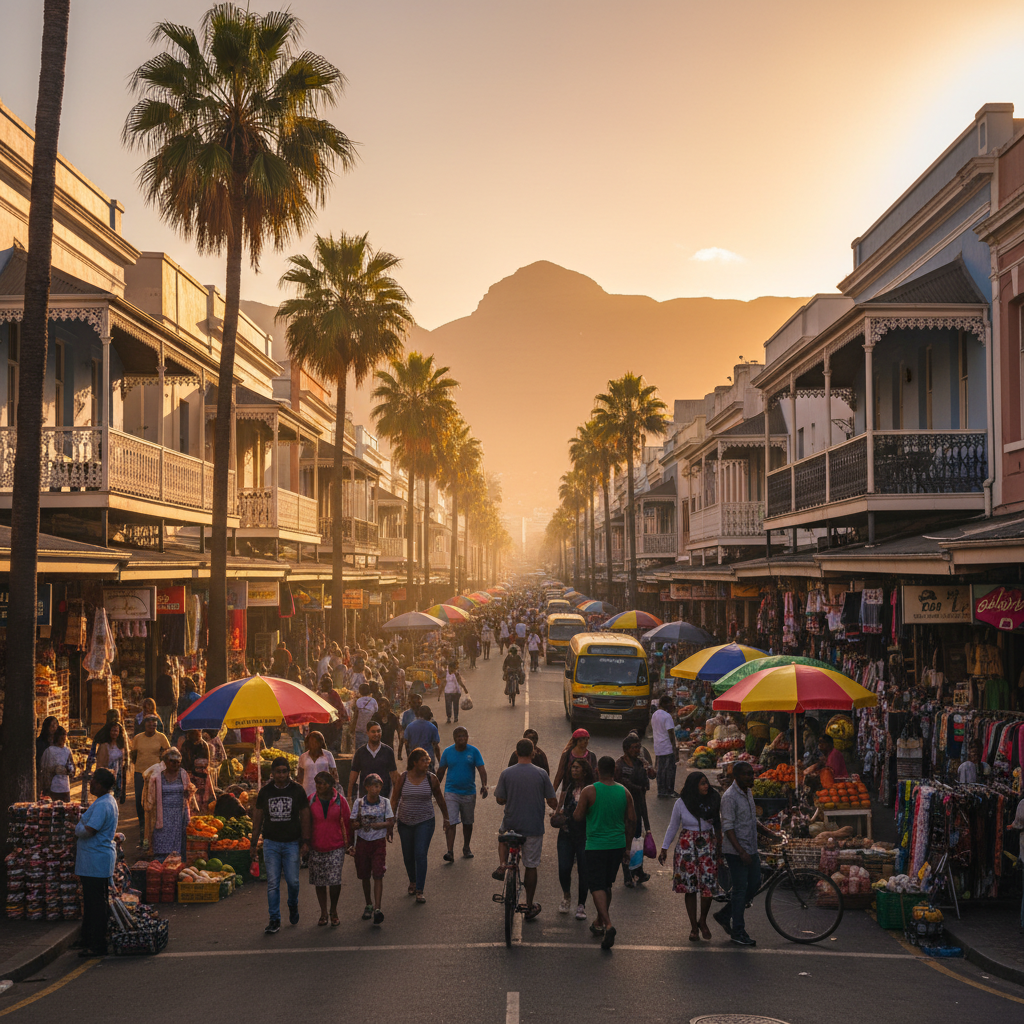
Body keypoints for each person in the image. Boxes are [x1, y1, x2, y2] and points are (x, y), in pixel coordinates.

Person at [714, 761, 779, 946]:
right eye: (747, 774)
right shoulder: (729, 798)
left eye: (752, 773)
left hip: (751, 848)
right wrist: (740, 851)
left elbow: (751, 820)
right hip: (736, 852)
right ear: (737, 776)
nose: (752, 777)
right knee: (741, 890)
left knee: (755, 884)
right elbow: (728, 828)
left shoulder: (748, 792)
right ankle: (738, 931)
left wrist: (769, 833)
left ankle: (725, 914)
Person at [492, 738, 558, 922]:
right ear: (533, 753)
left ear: (516, 753)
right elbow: (552, 800)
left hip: (512, 823)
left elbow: (499, 799)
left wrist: (509, 798)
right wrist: (555, 808)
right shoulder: (541, 774)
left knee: (502, 836)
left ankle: (503, 864)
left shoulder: (506, 773)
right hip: (533, 827)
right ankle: (529, 905)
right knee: (531, 865)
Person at [574, 754, 635, 950]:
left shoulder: (589, 791)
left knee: (597, 885)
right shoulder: (625, 792)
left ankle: (608, 924)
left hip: (596, 845)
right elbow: (631, 821)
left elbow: (578, 816)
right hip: (617, 845)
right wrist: (627, 847)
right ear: (615, 771)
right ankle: (599, 922)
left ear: (597, 770)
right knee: (607, 884)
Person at [251, 756, 311, 934]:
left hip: (292, 843)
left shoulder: (297, 791)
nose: (281, 775)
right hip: (271, 843)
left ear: (289, 773)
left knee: (293, 881)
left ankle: (293, 905)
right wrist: (253, 843)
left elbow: (305, 815)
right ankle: (274, 918)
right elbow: (258, 817)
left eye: (285, 771)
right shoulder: (265, 792)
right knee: (273, 883)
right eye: (278, 772)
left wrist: (306, 841)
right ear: (272, 773)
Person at [659, 770, 722, 941]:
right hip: (686, 847)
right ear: (694, 786)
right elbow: (673, 826)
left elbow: (718, 825)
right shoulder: (681, 803)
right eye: (702, 783)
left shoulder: (713, 800)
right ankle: (693, 926)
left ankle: (703, 920)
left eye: (706, 782)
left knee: (708, 885)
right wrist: (664, 848)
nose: (706, 786)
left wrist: (720, 849)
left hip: (708, 845)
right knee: (690, 887)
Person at [391, 748, 450, 903]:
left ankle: (420, 889)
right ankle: (413, 880)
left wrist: (446, 818)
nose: (427, 763)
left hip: (425, 821)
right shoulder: (403, 778)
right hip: (405, 822)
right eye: (423, 760)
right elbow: (394, 799)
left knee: (420, 853)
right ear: (414, 762)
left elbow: (440, 799)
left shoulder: (432, 779)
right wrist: (390, 822)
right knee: (408, 855)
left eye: (427, 760)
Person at [74, 768, 119, 958]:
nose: (90, 784)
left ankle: (98, 943)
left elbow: (90, 830)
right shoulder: (107, 801)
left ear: (100, 784)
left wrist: (76, 827)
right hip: (95, 858)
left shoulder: (103, 804)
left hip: (95, 859)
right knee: (94, 901)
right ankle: (88, 938)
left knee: (95, 903)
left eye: (93, 781)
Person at [349, 773, 395, 925]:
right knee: (364, 874)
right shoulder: (359, 803)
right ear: (366, 787)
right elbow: (352, 821)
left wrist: (376, 825)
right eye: (372, 786)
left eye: (378, 786)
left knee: (378, 873)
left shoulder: (385, 802)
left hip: (378, 842)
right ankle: (368, 903)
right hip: (362, 842)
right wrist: (357, 825)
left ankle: (377, 908)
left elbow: (390, 821)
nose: (375, 789)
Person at [437, 726, 488, 861]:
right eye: (459, 736)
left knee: (467, 822)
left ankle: (466, 847)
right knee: (451, 821)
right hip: (451, 792)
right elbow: (441, 772)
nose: (462, 738)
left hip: (469, 793)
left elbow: (481, 770)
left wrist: (484, 785)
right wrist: (434, 789)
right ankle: (450, 851)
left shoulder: (474, 751)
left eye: (464, 736)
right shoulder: (448, 752)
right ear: (454, 738)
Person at [308, 770, 350, 927]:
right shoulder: (310, 800)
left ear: (331, 785)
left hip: (336, 846)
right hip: (316, 845)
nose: (320, 786)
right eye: (318, 783)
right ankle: (323, 912)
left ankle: (333, 910)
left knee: (334, 880)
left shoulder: (340, 801)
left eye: (323, 783)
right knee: (319, 881)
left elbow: (347, 822)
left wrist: (349, 844)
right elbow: (306, 822)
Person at [554, 758, 593, 920]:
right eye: (572, 768)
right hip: (566, 834)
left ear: (584, 771)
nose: (574, 770)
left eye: (577, 768)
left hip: (585, 835)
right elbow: (559, 809)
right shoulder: (568, 788)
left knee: (584, 871)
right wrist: (558, 816)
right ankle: (566, 895)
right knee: (564, 868)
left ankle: (581, 904)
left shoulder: (591, 790)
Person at [614, 732, 655, 886]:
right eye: (634, 748)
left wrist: (649, 771)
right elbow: (620, 783)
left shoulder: (640, 763)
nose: (637, 750)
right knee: (627, 841)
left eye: (638, 747)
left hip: (639, 805)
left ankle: (638, 871)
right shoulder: (620, 765)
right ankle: (627, 876)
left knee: (638, 838)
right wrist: (638, 787)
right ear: (626, 749)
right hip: (624, 807)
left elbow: (650, 778)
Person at [145, 747, 196, 856]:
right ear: (165, 762)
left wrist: (189, 792)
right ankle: (161, 857)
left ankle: (176, 859)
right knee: (161, 837)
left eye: (178, 762)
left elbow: (189, 790)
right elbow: (150, 796)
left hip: (179, 813)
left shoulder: (183, 774)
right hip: (163, 813)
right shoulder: (158, 776)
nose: (175, 764)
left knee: (178, 841)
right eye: (172, 761)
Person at [131, 715, 170, 845]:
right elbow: (133, 755)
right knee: (139, 801)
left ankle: (155, 829)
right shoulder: (138, 738)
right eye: (149, 725)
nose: (152, 727)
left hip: (156, 774)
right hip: (139, 773)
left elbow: (167, 752)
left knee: (155, 801)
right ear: (144, 725)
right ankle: (143, 829)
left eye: (154, 725)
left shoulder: (161, 737)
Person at [348, 721, 399, 800]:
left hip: (384, 796)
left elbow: (394, 777)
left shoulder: (388, 751)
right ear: (367, 733)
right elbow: (352, 779)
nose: (376, 734)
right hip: (365, 797)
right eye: (373, 731)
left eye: (378, 731)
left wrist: (395, 799)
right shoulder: (360, 752)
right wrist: (349, 798)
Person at [651, 695, 679, 797]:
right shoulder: (667, 716)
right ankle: (669, 790)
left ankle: (661, 791)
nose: (672, 706)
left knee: (661, 769)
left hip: (658, 746)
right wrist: (675, 750)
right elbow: (671, 734)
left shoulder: (655, 715)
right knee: (670, 770)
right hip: (667, 747)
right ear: (665, 704)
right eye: (671, 704)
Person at [180, 729, 215, 808]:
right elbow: (183, 761)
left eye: (199, 731)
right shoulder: (186, 745)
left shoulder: (204, 745)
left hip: (202, 775)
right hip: (189, 775)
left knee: (203, 798)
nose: (198, 732)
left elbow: (207, 762)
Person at [297, 731, 338, 799]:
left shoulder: (328, 755)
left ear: (320, 743)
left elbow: (334, 773)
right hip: (307, 790)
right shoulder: (303, 757)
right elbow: (300, 776)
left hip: (324, 790)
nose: (313, 744)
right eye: (311, 742)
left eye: (316, 742)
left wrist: (333, 788)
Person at [95, 720, 128, 803]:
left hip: (118, 776)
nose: (114, 733)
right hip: (108, 774)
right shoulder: (104, 746)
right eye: (112, 730)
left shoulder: (121, 745)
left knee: (115, 799)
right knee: (107, 798)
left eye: (116, 731)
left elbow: (124, 762)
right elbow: (100, 763)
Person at [39, 726, 75, 800]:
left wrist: (69, 770)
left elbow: (72, 767)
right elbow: (44, 768)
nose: (63, 741)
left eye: (64, 739)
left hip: (65, 787)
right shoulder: (49, 751)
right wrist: (54, 770)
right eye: (61, 739)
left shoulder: (67, 751)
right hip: (53, 787)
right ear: (57, 738)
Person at [403, 705, 442, 770]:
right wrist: (439, 761)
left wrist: (409, 758)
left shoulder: (410, 726)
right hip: (428, 759)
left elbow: (406, 743)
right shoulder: (432, 727)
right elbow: (436, 746)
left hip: (415, 759)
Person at [440, 660, 469, 725]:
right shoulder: (445, 673)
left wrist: (464, 688)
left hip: (455, 692)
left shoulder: (456, 674)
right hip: (447, 692)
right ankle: (449, 717)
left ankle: (456, 717)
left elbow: (459, 681)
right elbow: (442, 683)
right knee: (448, 705)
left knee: (455, 705)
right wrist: (440, 692)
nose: (454, 669)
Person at [154, 657, 177, 736]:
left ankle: (162, 733)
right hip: (167, 702)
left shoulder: (158, 679)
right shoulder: (168, 678)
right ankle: (166, 734)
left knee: (162, 719)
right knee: (167, 720)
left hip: (160, 702)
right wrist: (174, 700)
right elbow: (171, 690)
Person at [351, 682, 378, 750]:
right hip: (370, 729)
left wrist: (352, 727)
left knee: (359, 748)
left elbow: (356, 716)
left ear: (360, 691)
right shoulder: (373, 701)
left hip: (359, 728)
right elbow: (376, 714)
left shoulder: (358, 701)